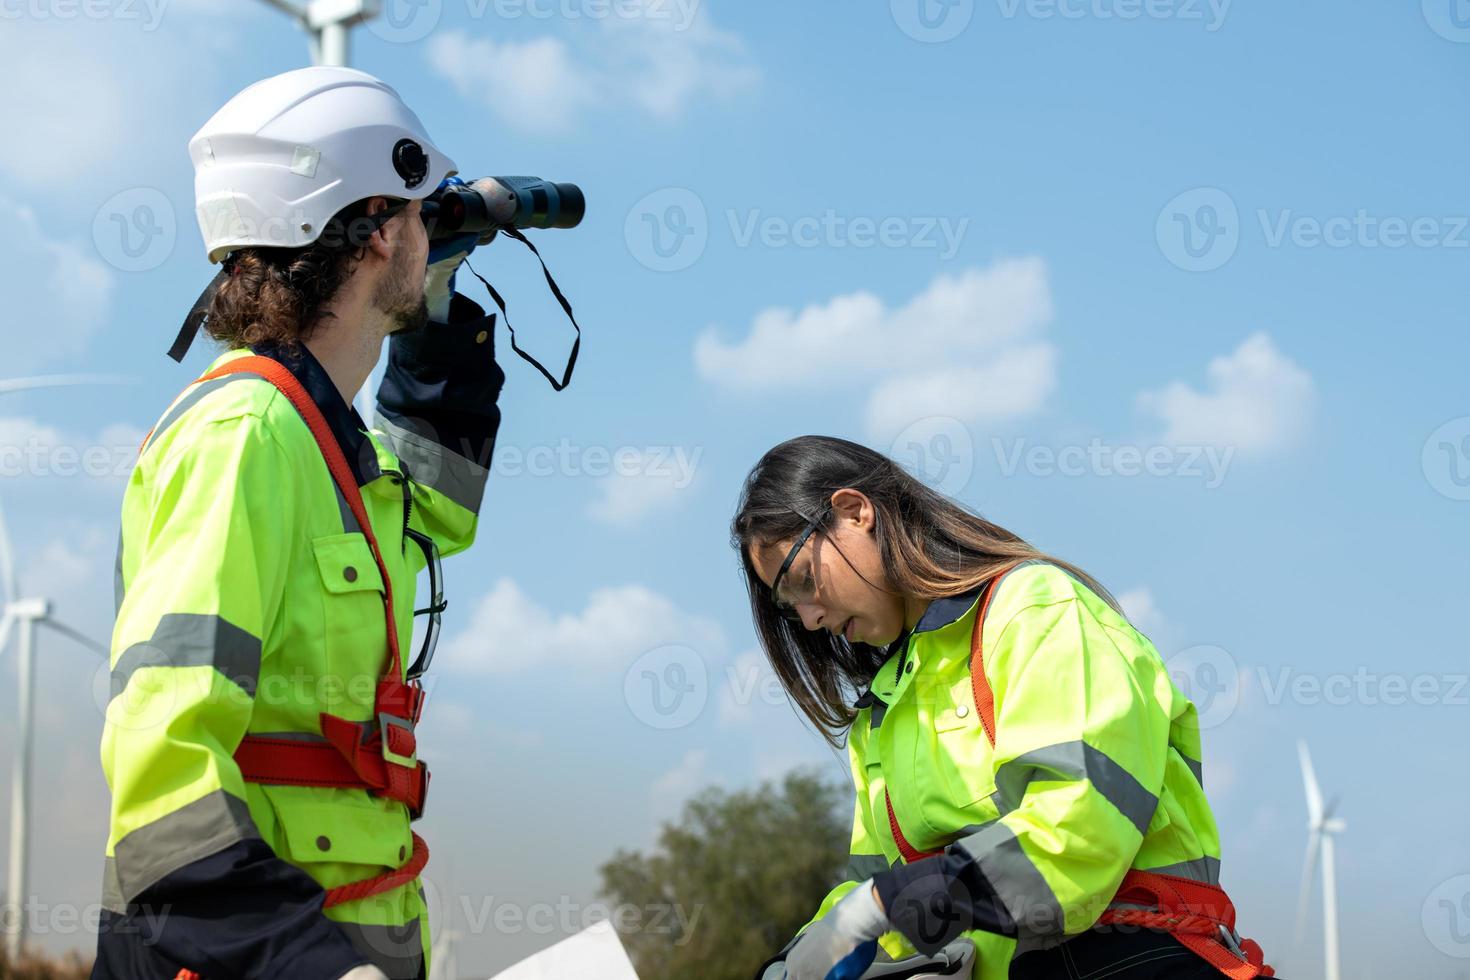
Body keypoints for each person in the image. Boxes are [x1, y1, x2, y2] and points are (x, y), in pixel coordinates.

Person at [92, 67, 506, 980]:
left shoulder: (323, 437)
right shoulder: (245, 433)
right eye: (415, 210)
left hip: (344, 936)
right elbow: (161, 760)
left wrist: (435, 311)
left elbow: (435, 505)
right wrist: (307, 964)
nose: (427, 228)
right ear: (373, 228)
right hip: (266, 956)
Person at [733, 436, 1275, 980]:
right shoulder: (879, 715)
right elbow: (874, 894)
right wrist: (798, 957)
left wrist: (894, 901)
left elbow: (1081, 828)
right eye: (789, 606)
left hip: (1133, 960)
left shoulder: (1034, 610)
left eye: (804, 579)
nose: (807, 619)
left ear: (855, 513)